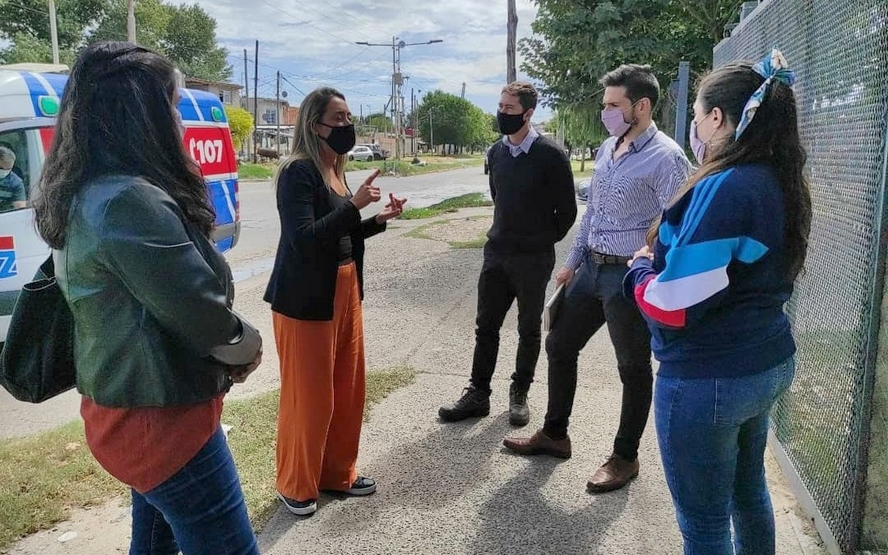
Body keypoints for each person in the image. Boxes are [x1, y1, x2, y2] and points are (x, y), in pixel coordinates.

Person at [33, 42, 263, 555]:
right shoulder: (127, 199)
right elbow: (200, 311)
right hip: (160, 420)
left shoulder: (88, 189)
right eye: (172, 107)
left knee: (156, 541)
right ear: (143, 116)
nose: (179, 124)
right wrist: (248, 347)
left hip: (129, 409)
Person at [625, 50, 811, 554]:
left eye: (695, 116)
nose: (693, 127)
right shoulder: (777, 177)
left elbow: (673, 306)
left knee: (704, 525)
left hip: (709, 379)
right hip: (763, 361)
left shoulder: (726, 185)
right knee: (748, 494)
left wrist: (640, 267)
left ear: (716, 118)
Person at [503, 65, 692, 493]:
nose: (604, 111)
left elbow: (677, 225)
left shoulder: (666, 157)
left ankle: (625, 457)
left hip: (628, 276)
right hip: (591, 268)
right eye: (604, 103)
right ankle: (555, 433)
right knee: (559, 344)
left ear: (640, 107)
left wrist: (649, 263)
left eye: (612, 105)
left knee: (632, 367)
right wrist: (571, 262)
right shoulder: (609, 148)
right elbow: (592, 214)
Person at [265, 87, 406, 517]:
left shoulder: (336, 170)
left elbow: (338, 237)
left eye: (349, 118)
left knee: (347, 388)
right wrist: (352, 205)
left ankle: (336, 473)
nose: (347, 126)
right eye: (338, 119)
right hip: (305, 300)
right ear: (314, 125)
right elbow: (303, 240)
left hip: (345, 290)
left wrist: (375, 221)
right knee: (310, 397)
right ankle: (295, 483)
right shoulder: (298, 172)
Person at [438, 81, 577, 427]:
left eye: (509, 109)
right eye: (500, 107)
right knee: (486, 326)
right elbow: (498, 197)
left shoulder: (551, 155)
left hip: (533, 258)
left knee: (528, 328)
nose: (502, 114)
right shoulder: (495, 153)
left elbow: (568, 212)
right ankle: (478, 393)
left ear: (528, 114)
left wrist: (539, 239)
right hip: (496, 254)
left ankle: (519, 394)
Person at [0, 146, 27, 212]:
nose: (4, 172)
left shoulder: (16, 183)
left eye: (8, 169)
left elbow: (20, 209)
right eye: (1, 168)